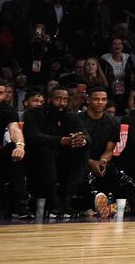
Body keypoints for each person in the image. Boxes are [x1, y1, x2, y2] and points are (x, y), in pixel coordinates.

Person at [82, 86, 135, 219]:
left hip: (102, 161)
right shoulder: (79, 119)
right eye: (96, 99)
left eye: (103, 99)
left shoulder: (112, 122)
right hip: (81, 160)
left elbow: (110, 149)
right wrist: (90, 161)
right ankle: (99, 204)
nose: (100, 102)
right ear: (88, 100)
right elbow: (76, 148)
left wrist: (103, 160)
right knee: (86, 174)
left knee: (119, 174)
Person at [23, 86, 90, 217]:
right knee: (45, 150)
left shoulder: (70, 115)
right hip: (37, 156)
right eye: (58, 99)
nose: (62, 103)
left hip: (62, 156)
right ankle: (54, 204)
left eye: (65, 100)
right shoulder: (34, 113)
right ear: (49, 100)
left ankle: (66, 202)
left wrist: (81, 140)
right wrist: (61, 140)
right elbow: (33, 136)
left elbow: (87, 136)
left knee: (83, 150)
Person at [0, 79, 31, 218]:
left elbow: (14, 129)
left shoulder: (7, 109)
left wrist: (20, 146)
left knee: (14, 151)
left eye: (0, 93)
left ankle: (19, 206)